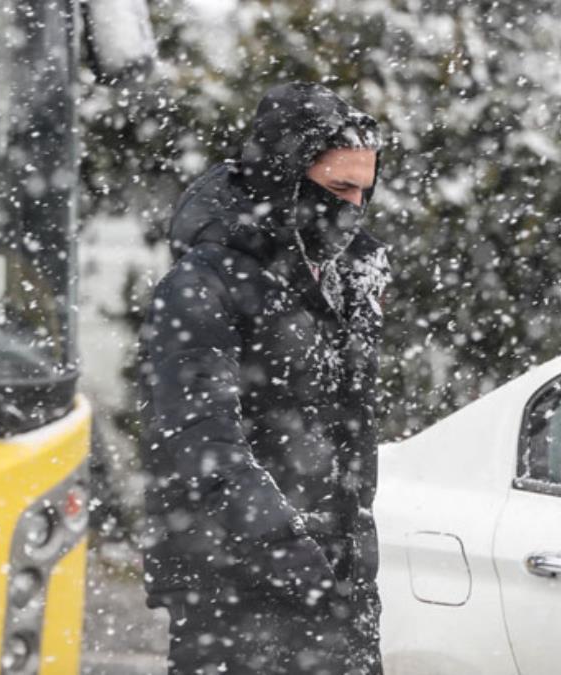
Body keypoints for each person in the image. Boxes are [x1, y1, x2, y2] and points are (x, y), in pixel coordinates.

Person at [137, 82, 390, 675]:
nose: (351, 209)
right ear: (284, 177)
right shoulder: (203, 285)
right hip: (232, 593)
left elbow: (348, 441)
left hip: (335, 589)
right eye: (336, 188)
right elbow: (200, 444)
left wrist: (349, 574)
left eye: (363, 192)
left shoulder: (349, 282)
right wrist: (295, 558)